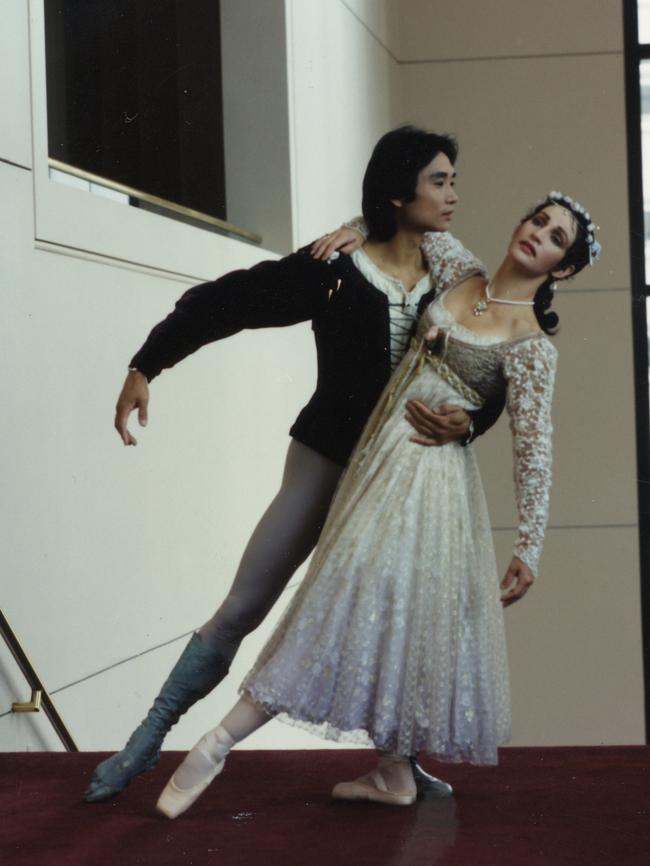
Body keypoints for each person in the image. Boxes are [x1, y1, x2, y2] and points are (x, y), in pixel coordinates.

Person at [85, 126, 506, 804]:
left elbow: (491, 376)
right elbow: (231, 300)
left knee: (403, 613)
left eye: (453, 179)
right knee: (243, 606)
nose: (454, 194)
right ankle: (148, 737)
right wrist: (146, 363)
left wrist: (471, 423)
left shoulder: (458, 279)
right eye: (439, 180)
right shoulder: (335, 267)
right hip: (326, 461)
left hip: (401, 481)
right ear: (398, 192)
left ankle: (398, 765)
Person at [152, 191, 601, 818]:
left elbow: (535, 449)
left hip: (429, 482)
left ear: (563, 267)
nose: (539, 234)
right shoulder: (458, 267)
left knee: (340, 598)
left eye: (556, 238)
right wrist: (352, 228)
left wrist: (528, 544)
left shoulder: (531, 346)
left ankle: (217, 743)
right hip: (374, 461)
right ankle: (394, 774)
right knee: (380, 612)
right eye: (538, 220)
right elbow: (400, 221)